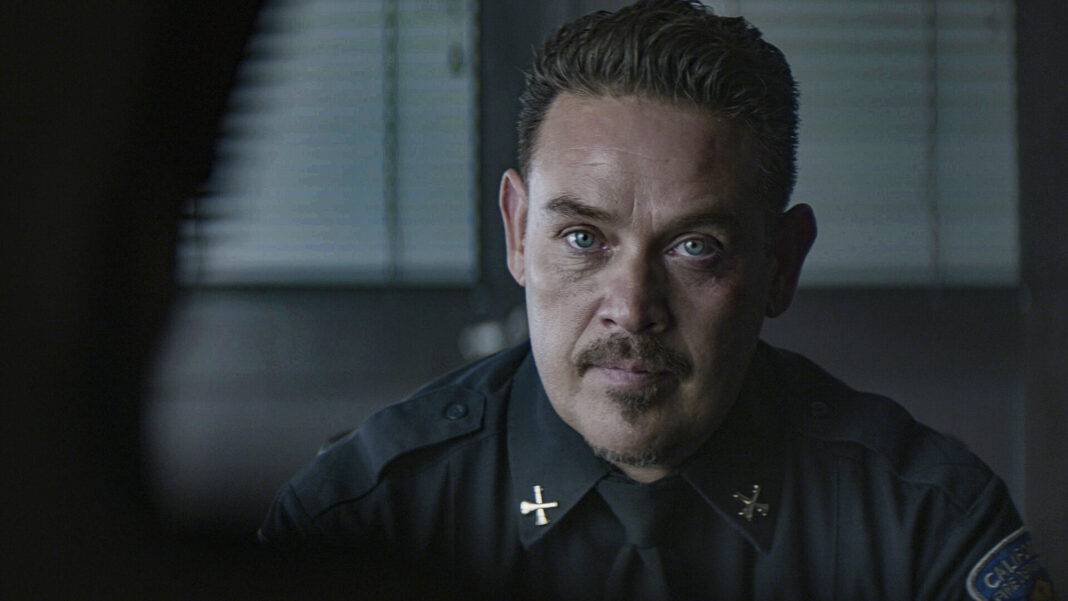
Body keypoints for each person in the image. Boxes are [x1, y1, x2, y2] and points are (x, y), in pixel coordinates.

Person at [260, 1, 1055, 599]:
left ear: (780, 264)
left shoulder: (925, 525)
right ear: (517, 232)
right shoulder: (361, 520)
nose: (633, 307)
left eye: (694, 246)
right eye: (582, 237)